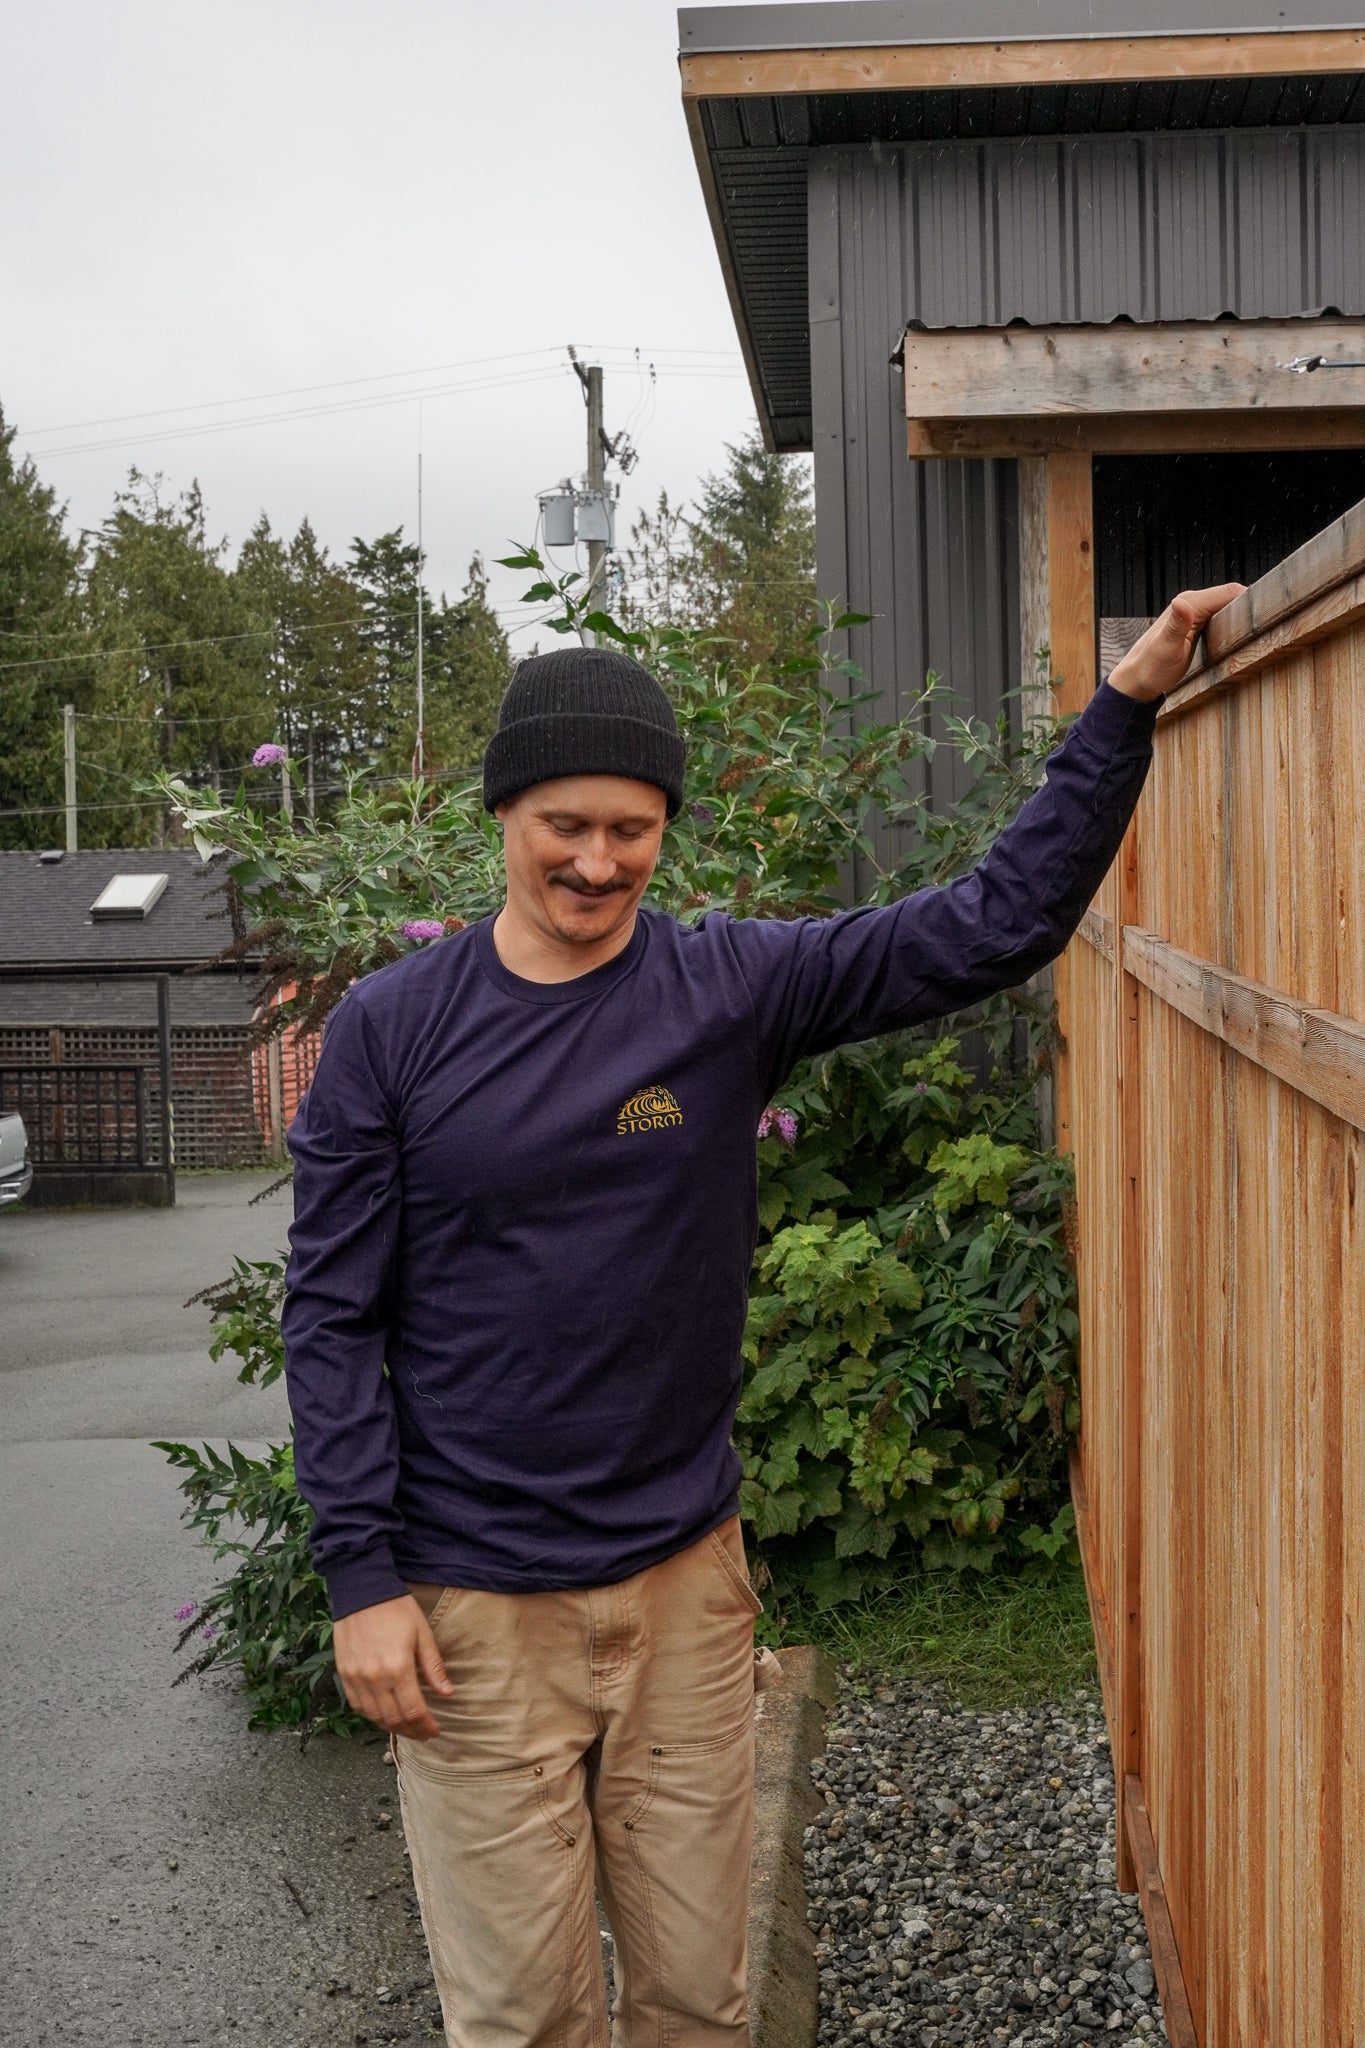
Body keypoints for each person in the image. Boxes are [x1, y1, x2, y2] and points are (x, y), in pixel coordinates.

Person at [282, 583, 1239, 2048]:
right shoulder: (391, 1029)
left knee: (697, 2006)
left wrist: (1120, 708)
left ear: (665, 829)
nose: (596, 863)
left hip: (680, 1587)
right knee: (520, 2021)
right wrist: (362, 1577)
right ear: (502, 818)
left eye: (629, 828)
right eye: (563, 826)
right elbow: (332, 1315)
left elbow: (998, 919)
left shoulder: (726, 985)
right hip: (472, 1610)